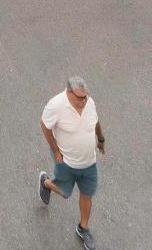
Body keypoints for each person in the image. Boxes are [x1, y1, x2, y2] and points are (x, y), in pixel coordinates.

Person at [39, 76, 106, 249]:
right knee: (65, 192)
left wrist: (100, 138)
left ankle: (83, 228)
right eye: (80, 98)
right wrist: (56, 151)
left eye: (86, 97)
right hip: (67, 161)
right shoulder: (56, 105)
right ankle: (46, 182)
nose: (84, 101)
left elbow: (95, 120)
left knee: (87, 194)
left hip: (89, 161)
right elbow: (45, 125)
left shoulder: (89, 102)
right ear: (69, 92)